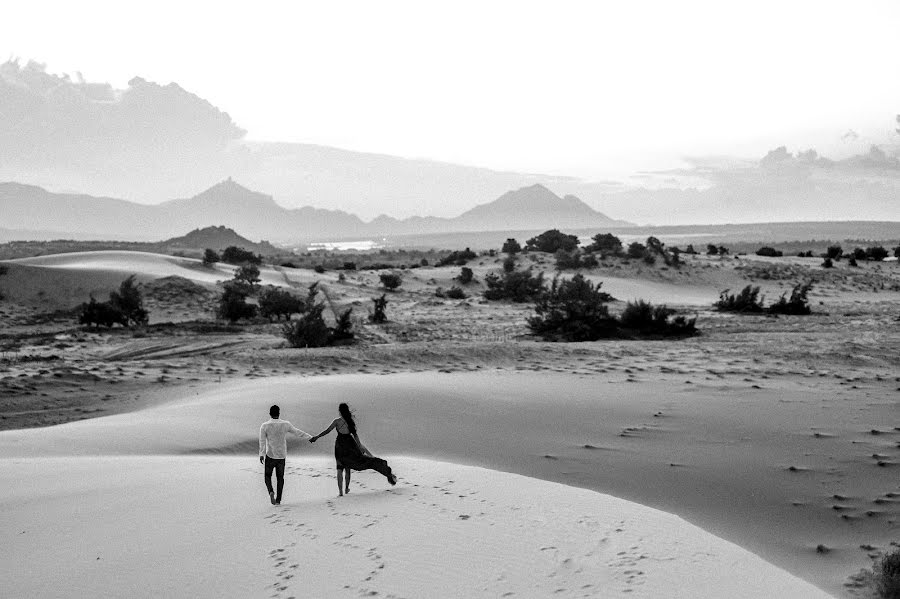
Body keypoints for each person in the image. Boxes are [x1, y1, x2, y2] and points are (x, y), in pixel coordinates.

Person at [310, 403, 397, 496]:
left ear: (340, 411)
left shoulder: (337, 421)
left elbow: (327, 431)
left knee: (339, 468)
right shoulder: (350, 422)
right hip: (350, 446)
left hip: (340, 446)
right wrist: (360, 447)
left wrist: (317, 437)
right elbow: (355, 436)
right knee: (348, 467)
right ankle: (347, 488)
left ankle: (340, 492)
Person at [259, 404, 311, 505]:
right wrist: (310, 437)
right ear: (279, 413)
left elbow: (262, 441)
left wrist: (261, 454)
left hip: (270, 455)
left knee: (267, 476)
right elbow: (297, 432)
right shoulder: (285, 424)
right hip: (281, 456)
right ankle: (278, 500)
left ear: (270, 414)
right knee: (280, 478)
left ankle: (270, 491)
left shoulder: (264, 426)